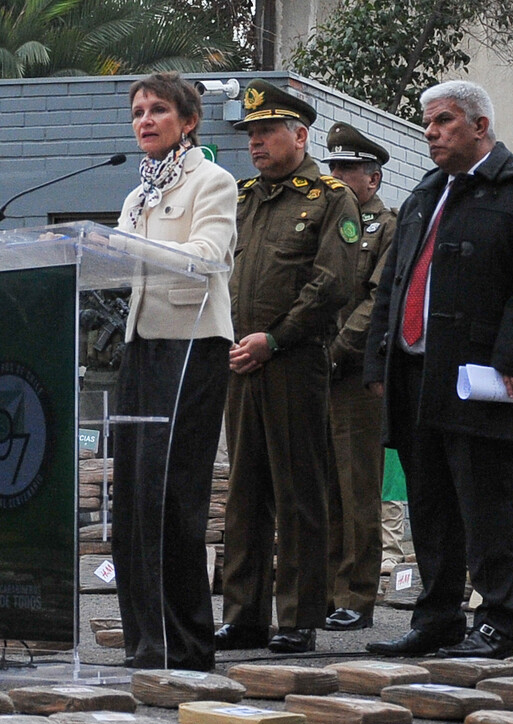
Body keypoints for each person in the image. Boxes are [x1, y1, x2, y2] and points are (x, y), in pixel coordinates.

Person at [364, 80, 513, 660]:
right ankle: (439, 616)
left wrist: (511, 355)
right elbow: (394, 282)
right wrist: (380, 355)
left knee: (488, 504)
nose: (431, 132)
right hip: (415, 375)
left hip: (481, 378)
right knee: (430, 505)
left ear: (481, 126)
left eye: (444, 121)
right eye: (427, 122)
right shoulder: (426, 192)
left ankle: (499, 617)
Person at [217, 79, 360, 655]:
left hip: (293, 360)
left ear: (299, 135)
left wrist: (273, 339)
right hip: (238, 363)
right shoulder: (244, 198)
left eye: (266, 131)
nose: (255, 142)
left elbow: (334, 284)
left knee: (298, 489)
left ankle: (298, 618)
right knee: (244, 490)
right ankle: (243, 614)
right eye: (250, 132)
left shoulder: (330, 198)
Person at [111, 72, 236, 671]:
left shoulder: (211, 181)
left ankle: (187, 642)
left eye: (158, 110)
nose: (145, 120)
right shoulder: (137, 196)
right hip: (142, 345)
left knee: (173, 496)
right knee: (135, 498)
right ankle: (146, 641)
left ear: (188, 122)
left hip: (193, 346)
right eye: (138, 111)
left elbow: (211, 257)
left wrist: (131, 251)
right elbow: (111, 262)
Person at [322, 122, 398, 632]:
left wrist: (337, 349)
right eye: (334, 169)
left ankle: (355, 595)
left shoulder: (386, 226)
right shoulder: (324, 220)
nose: (338, 177)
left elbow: (377, 299)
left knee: (356, 490)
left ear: (372, 178)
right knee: (319, 489)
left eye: (348, 169)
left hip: (354, 374)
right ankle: (323, 590)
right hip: (311, 369)